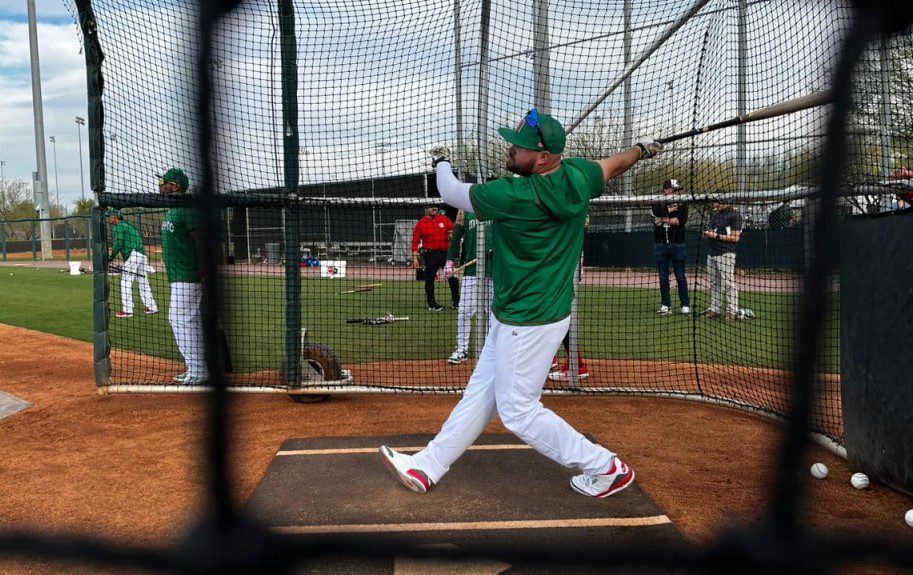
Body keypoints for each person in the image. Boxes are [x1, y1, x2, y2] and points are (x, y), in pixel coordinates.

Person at [380, 109, 661, 498]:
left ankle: (605, 467)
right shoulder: (579, 175)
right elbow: (615, 164)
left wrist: (441, 160)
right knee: (482, 391)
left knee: (518, 411)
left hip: (527, 320)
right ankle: (428, 465)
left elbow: (449, 191)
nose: (511, 149)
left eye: (520, 147)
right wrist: (640, 150)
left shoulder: (513, 195)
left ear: (543, 157)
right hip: (533, 312)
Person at [158, 167, 208, 385]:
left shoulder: (186, 208)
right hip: (178, 275)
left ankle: (198, 370)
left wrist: (203, 269)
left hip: (188, 275)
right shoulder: (172, 209)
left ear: (176, 186)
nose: (161, 185)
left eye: (165, 182)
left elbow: (200, 239)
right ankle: (196, 368)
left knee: (179, 319)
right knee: (188, 320)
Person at [444, 209, 493, 364]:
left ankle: (489, 351)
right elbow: (456, 237)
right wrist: (449, 260)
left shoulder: (496, 204)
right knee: (464, 310)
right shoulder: (464, 210)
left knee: (492, 313)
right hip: (471, 271)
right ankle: (462, 349)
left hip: (494, 271)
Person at [107, 209, 158, 318]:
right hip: (142, 255)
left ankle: (128, 310)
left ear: (115, 217)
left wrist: (110, 258)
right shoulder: (128, 225)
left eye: (110, 216)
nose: (109, 218)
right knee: (143, 281)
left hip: (133, 255)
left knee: (125, 282)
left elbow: (118, 243)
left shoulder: (119, 227)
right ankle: (152, 307)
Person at [651, 178, 691, 316]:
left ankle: (685, 305)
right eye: (674, 190)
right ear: (666, 190)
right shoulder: (656, 202)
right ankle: (666, 305)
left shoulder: (682, 203)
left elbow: (678, 221)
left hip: (678, 244)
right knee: (663, 277)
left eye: (677, 191)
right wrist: (668, 210)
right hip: (661, 245)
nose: (676, 193)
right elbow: (655, 217)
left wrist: (663, 219)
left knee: (680, 276)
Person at [701, 196, 743, 320]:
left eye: (717, 202)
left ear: (724, 201)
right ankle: (715, 309)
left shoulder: (735, 215)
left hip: (726, 253)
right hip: (712, 252)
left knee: (728, 283)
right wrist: (708, 234)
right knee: (714, 283)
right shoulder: (715, 215)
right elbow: (713, 231)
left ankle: (732, 311)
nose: (715, 204)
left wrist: (716, 236)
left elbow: (735, 238)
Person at [412, 205, 459, 311]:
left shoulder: (445, 219)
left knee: (452, 277)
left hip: (445, 254)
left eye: (435, 207)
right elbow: (415, 241)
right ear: (426, 209)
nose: (434, 209)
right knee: (430, 279)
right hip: (430, 255)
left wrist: (452, 235)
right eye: (431, 207)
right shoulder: (421, 223)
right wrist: (415, 257)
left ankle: (456, 302)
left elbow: (453, 232)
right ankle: (432, 304)